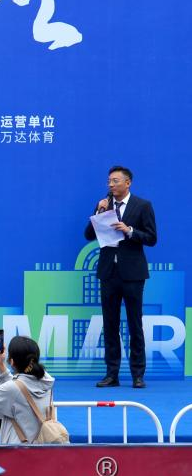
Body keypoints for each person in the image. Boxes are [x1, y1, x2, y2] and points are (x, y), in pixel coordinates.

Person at [84, 165, 157, 389]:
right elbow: (88, 235)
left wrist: (129, 230)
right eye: (109, 181)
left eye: (115, 181)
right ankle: (111, 374)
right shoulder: (104, 205)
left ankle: (138, 374)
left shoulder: (142, 206)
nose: (111, 185)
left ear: (128, 182)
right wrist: (98, 212)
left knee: (135, 323)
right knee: (110, 324)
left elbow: (152, 238)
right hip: (109, 273)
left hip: (133, 274)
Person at [0, 336, 56, 444]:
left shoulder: (14, 389)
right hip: (41, 448)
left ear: (12, 361)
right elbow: (19, 388)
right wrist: (1, 364)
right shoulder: (46, 381)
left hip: (17, 450)